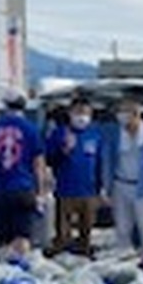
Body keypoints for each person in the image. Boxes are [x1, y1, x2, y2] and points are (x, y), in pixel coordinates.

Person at [102, 98, 143, 270]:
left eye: (125, 112)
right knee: (122, 228)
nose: (121, 116)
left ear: (136, 114)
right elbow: (107, 161)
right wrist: (106, 188)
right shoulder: (114, 134)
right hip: (120, 185)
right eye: (120, 112)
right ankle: (125, 266)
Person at [0, 89, 45, 255]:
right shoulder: (31, 129)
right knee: (23, 236)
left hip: (1, 189)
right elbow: (38, 164)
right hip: (24, 188)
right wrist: (40, 192)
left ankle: (5, 271)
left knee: (3, 237)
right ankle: (21, 270)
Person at [46, 97, 102, 256]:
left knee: (86, 232)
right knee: (63, 234)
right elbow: (48, 158)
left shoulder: (95, 134)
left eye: (86, 113)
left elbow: (100, 162)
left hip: (89, 191)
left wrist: (101, 188)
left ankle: (84, 256)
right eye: (78, 112)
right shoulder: (59, 133)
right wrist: (63, 151)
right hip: (65, 190)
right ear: (70, 113)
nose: (82, 116)